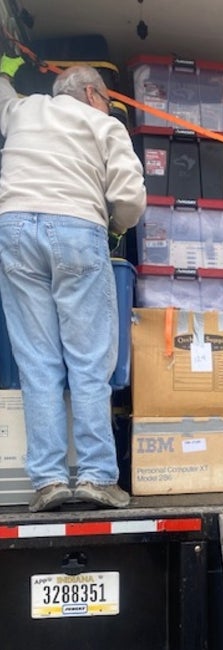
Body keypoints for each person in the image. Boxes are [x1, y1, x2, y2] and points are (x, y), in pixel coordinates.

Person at [0, 55, 146, 511]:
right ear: (90, 94)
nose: (107, 107)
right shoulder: (104, 127)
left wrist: (5, 68)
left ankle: (48, 480)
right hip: (77, 227)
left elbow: (1, 94)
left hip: (15, 227)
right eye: (107, 99)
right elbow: (129, 198)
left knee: (38, 362)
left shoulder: (23, 110)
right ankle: (98, 477)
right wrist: (115, 226)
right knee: (88, 363)